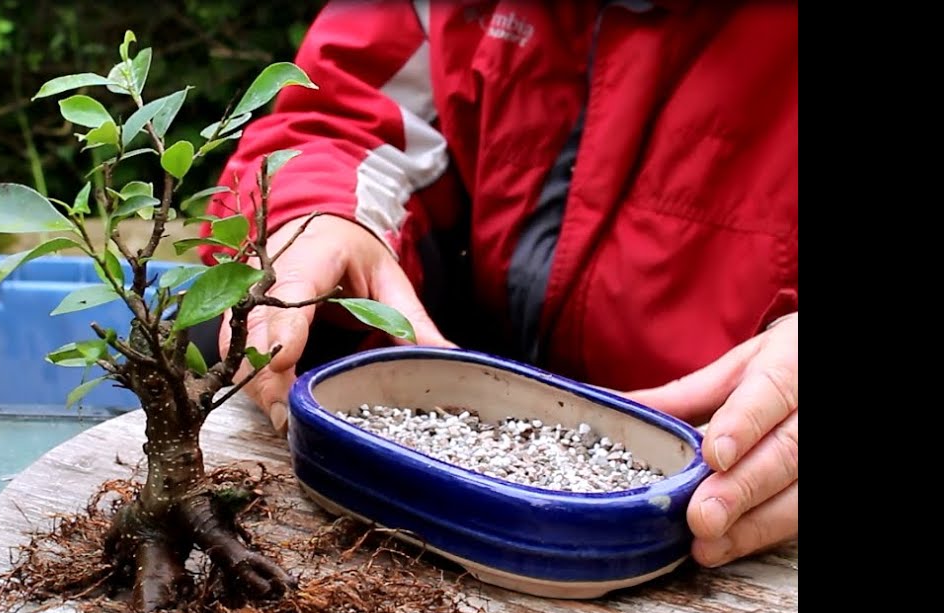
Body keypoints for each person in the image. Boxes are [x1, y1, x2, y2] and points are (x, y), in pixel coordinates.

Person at [195, 0, 797, 571]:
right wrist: (319, 212)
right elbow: (343, 112)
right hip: (446, 382)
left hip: (729, 473)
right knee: (211, 330)